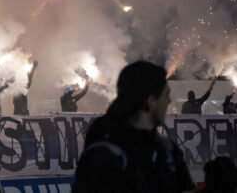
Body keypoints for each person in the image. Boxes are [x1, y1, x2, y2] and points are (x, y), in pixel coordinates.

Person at [72, 60, 194, 193]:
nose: (169, 101)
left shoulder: (167, 150)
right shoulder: (105, 155)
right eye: (165, 96)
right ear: (150, 101)